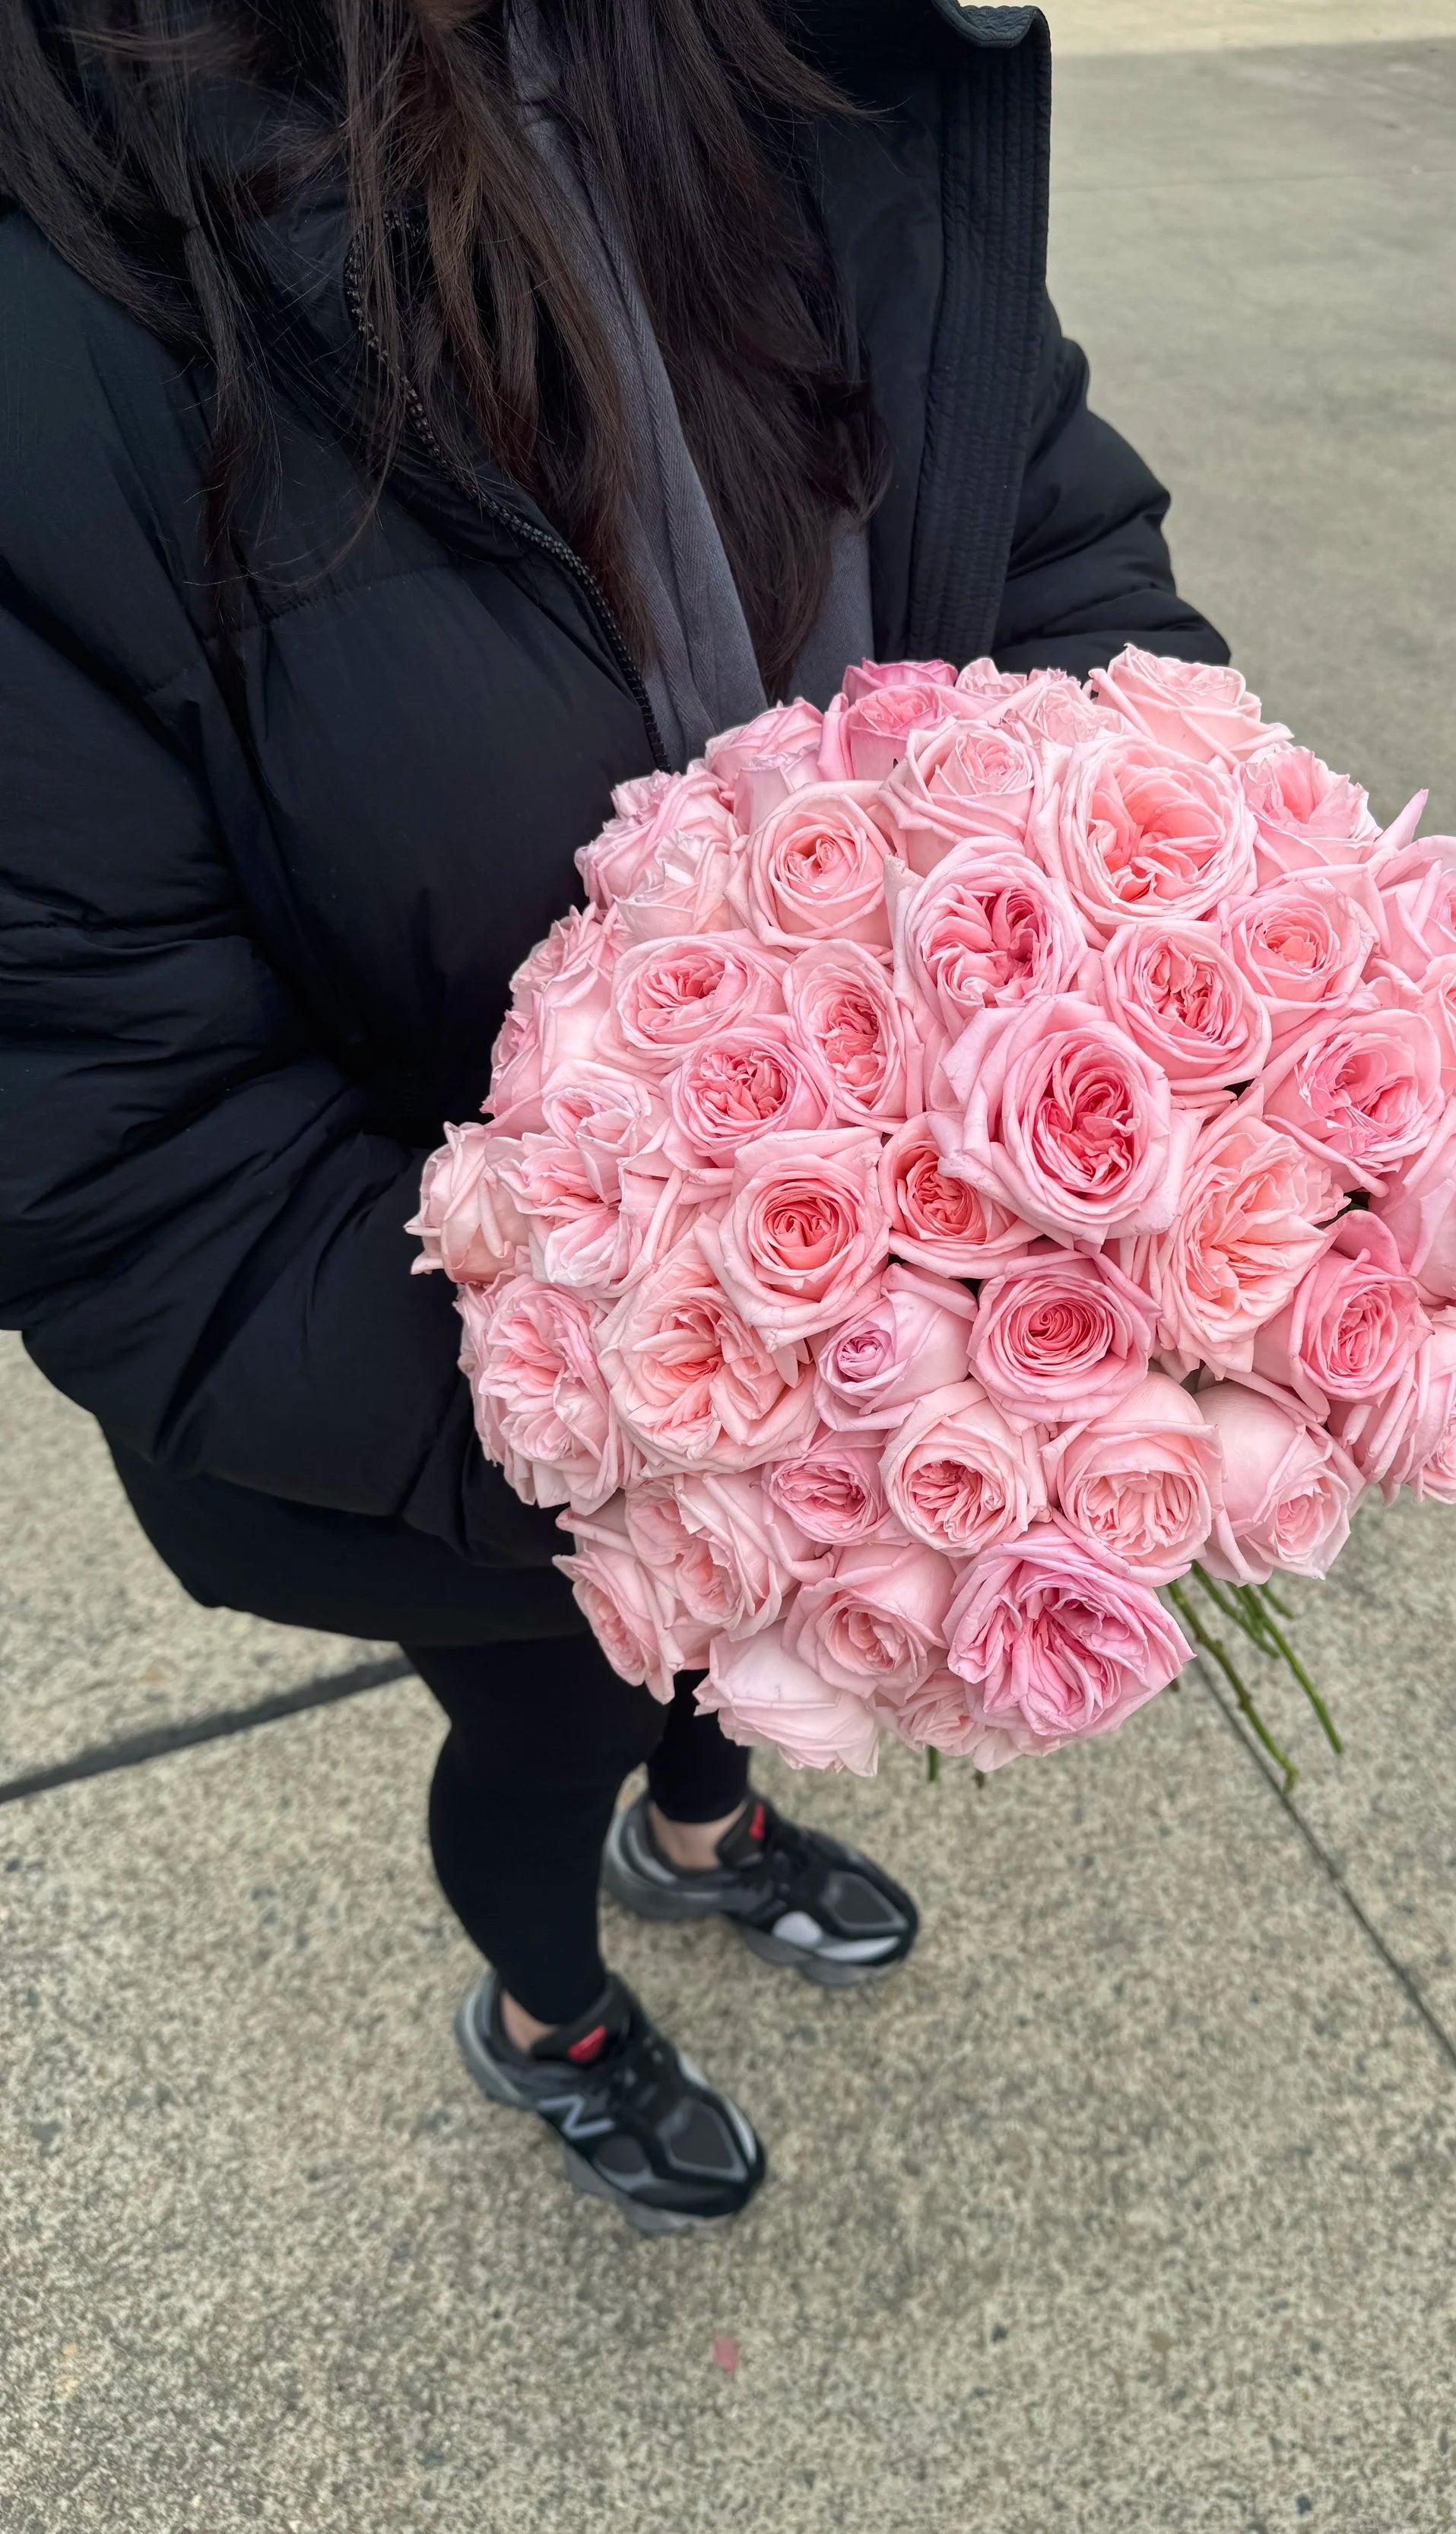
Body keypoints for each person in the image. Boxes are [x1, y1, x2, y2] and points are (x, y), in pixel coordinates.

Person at [0, 0, 1226, 2234]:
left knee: (741, 1675)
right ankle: (552, 2007)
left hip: (828, 1348)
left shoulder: (788, 60)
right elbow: (123, 1145)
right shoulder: (72, 259)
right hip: (461, 1407)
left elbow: (1048, 538)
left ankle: (707, 1829)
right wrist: (708, 1440)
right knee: (551, 1717)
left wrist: (1191, 989)